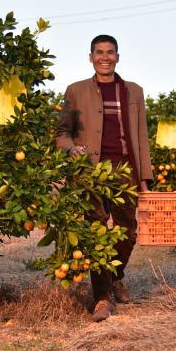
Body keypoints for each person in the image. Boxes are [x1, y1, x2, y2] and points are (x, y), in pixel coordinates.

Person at [56, 35, 153, 322]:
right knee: (96, 234)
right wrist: (71, 148)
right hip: (91, 173)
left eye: (110, 52)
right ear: (90, 57)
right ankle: (101, 298)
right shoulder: (76, 91)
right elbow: (62, 132)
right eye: (99, 53)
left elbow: (142, 136)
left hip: (126, 171)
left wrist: (145, 177)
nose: (105, 57)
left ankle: (114, 276)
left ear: (118, 57)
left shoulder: (134, 91)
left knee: (128, 232)